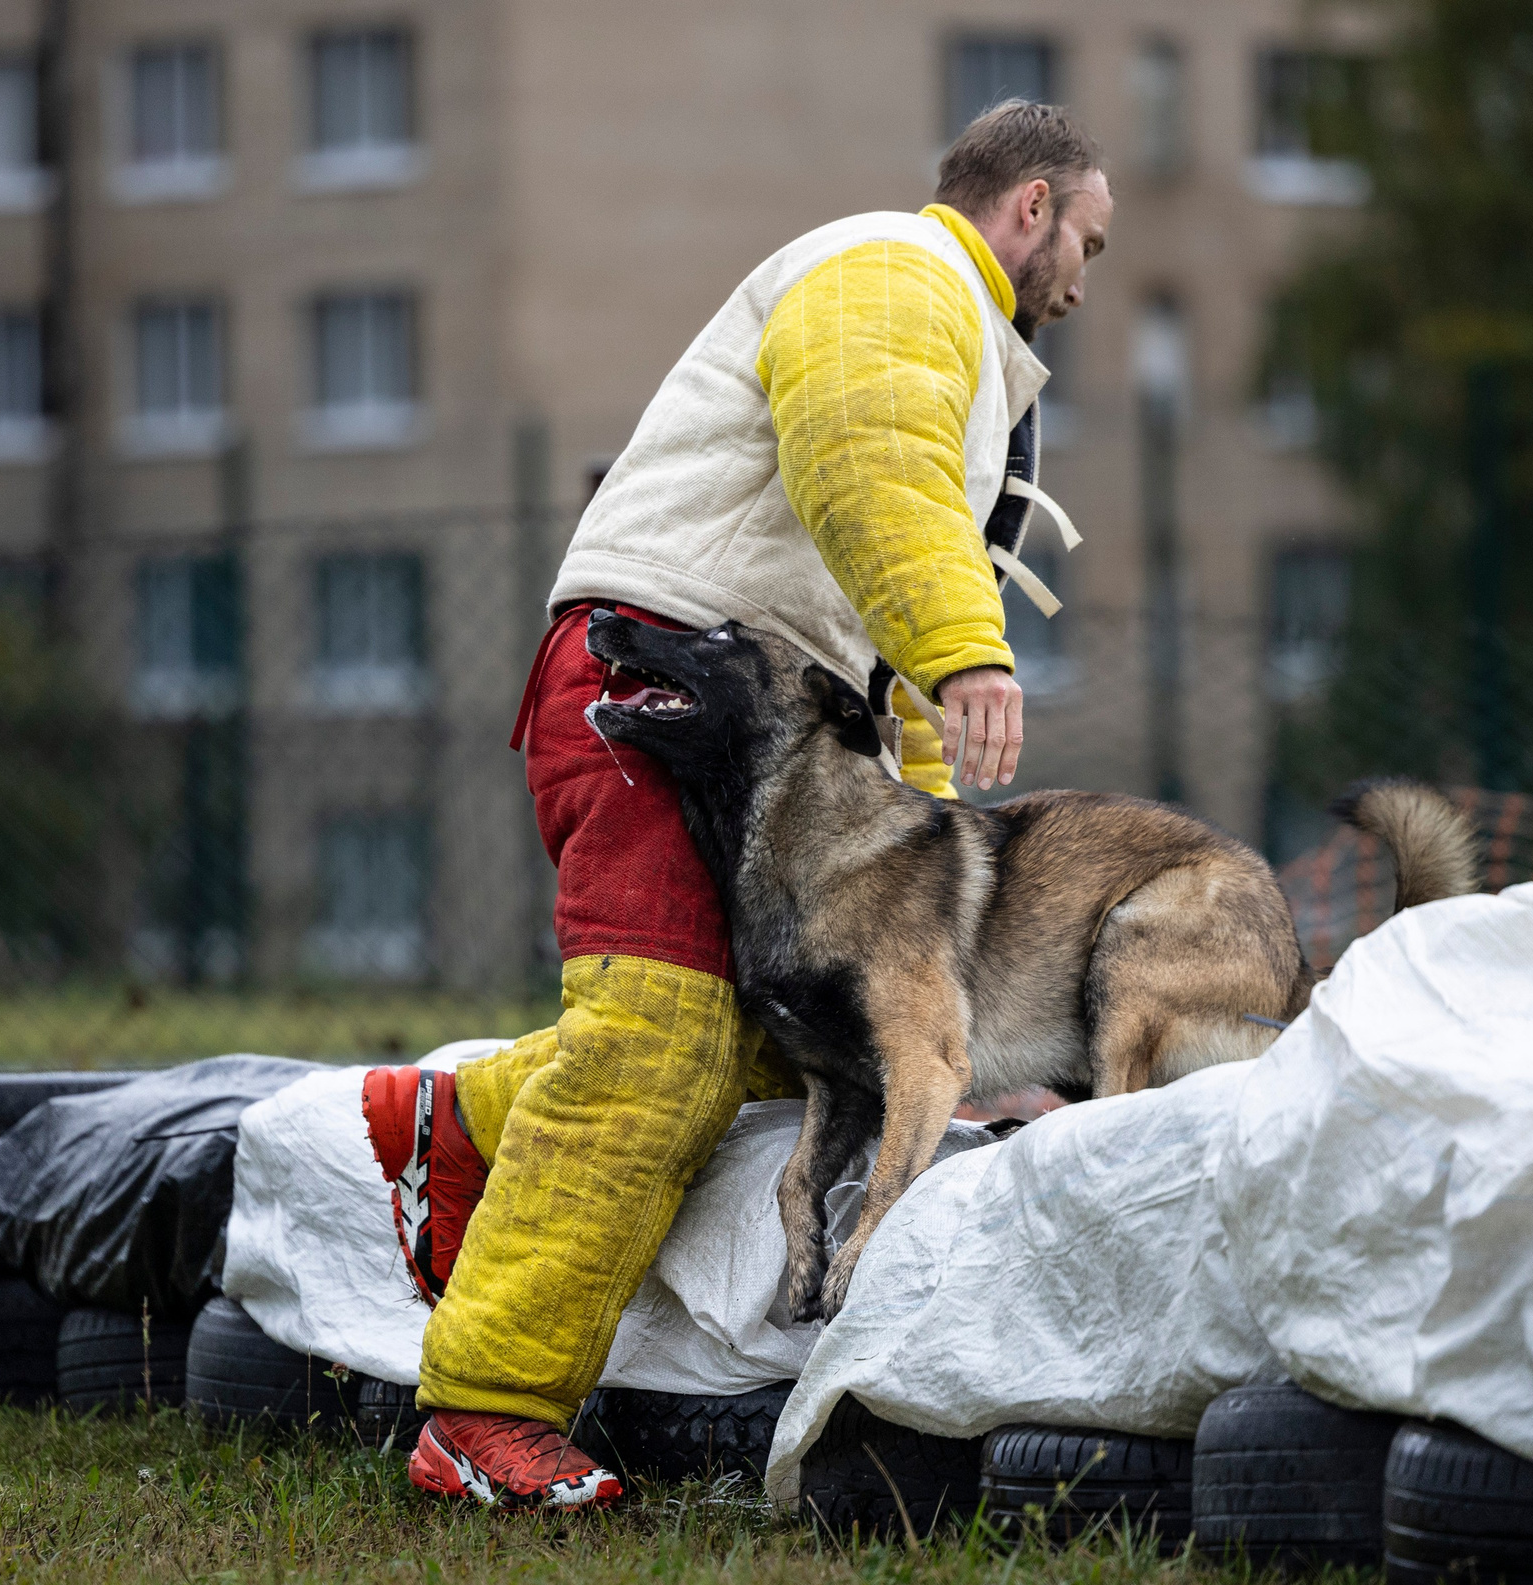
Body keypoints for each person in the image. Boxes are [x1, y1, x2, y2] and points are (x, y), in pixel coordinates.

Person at [365, 100, 1113, 1508]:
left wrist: (928, 905)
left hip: (769, 722)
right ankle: (483, 1414)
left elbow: (866, 655)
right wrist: (971, 647)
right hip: (666, 684)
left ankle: (452, 1121)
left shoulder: (951, 324)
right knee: (658, 1040)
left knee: (794, 1032)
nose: (1085, 275)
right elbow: (864, 456)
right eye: (1088, 238)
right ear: (1032, 207)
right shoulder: (898, 275)